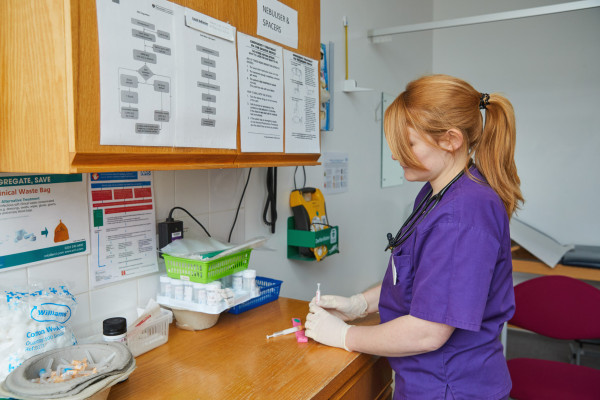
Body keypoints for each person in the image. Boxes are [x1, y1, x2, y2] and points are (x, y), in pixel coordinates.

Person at [305, 74, 524, 400]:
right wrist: (360, 304)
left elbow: (428, 331)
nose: (395, 155)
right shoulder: (436, 193)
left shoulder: (463, 216)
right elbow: (419, 280)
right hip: (426, 382)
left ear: (451, 140)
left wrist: (345, 336)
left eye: (408, 144)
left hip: (452, 387)